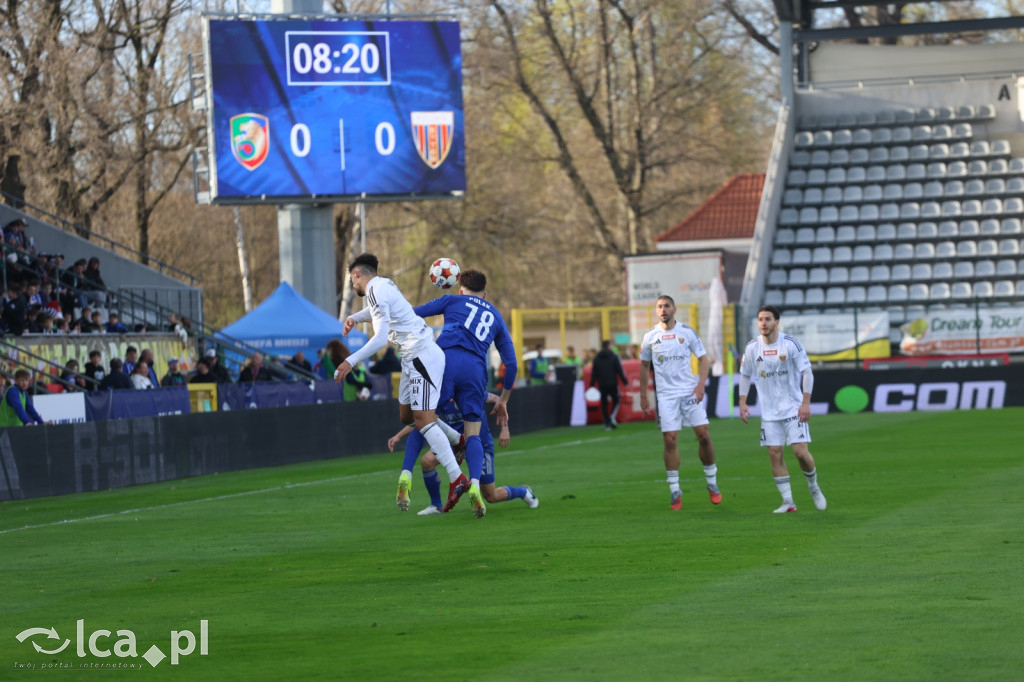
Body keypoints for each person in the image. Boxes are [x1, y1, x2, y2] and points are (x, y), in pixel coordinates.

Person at [337, 253, 465, 512]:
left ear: (359, 274)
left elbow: (381, 338)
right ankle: (457, 439)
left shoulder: (375, 290)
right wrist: (356, 318)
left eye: (352, 279)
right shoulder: (383, 285)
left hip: (421, 356)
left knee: (424, 420)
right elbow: (379, 314)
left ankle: (457, 478)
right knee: (407, 416)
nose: (353, 285)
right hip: (412, 358)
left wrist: (350, 360)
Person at [412, 267, 518, 518]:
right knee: (474, 432)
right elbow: (511, 364)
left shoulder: (451, 300)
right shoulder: (495, 315)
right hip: (475, 369)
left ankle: (450, 476)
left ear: (461, 289)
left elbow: (414, 314)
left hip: (446, 361)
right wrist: (503, 400)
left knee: (423, 417)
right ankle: (475, 485)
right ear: (485, 293)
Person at [738, 305, 827, 514]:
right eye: (760, 319)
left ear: (776, 322)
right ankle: (788, 502)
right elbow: (744, 375)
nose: (763, 323)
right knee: (774, 454)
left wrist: (805, 403)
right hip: (769, 413)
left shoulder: (790, 344)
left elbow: (807, 372)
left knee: (800, 452)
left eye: (768, 319)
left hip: (793, 408)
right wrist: (742, 401)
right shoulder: (752, 348)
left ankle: (813, 486)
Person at [388, 395, 536, 515]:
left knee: (491, 496)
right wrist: (399, 436)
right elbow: (423, 420)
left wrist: (505, 428)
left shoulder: (470, 390)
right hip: (456, 443)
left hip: (480, 445)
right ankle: (436, 505)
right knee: (427, 462)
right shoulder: (442, 396)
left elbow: (498, 400)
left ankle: (523, 492)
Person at [639, 294, 722, 511]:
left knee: (703, 435)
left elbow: (704, 359)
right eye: (659, 306)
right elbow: (643, 365)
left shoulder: (687, 332)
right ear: (656, 311)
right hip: (666, 396)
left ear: (674, 309)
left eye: (667, 306)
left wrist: (701, 384)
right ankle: (675, 489)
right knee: (670, 440)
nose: (663, 309)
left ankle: (711, 481)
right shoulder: (650, 336)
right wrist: (643, 394)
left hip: (688, 392)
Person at [590, 340, 628, 430]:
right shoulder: (613, 357)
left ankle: (607, 423)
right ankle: (612, 416)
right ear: (609, 346)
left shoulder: (597, 358)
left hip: (602, 384)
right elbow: (619, 370)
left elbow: (594, 373)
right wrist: (625, 382)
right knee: (616, 400)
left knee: (604, 403)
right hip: (612, 383)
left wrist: (592, 384)